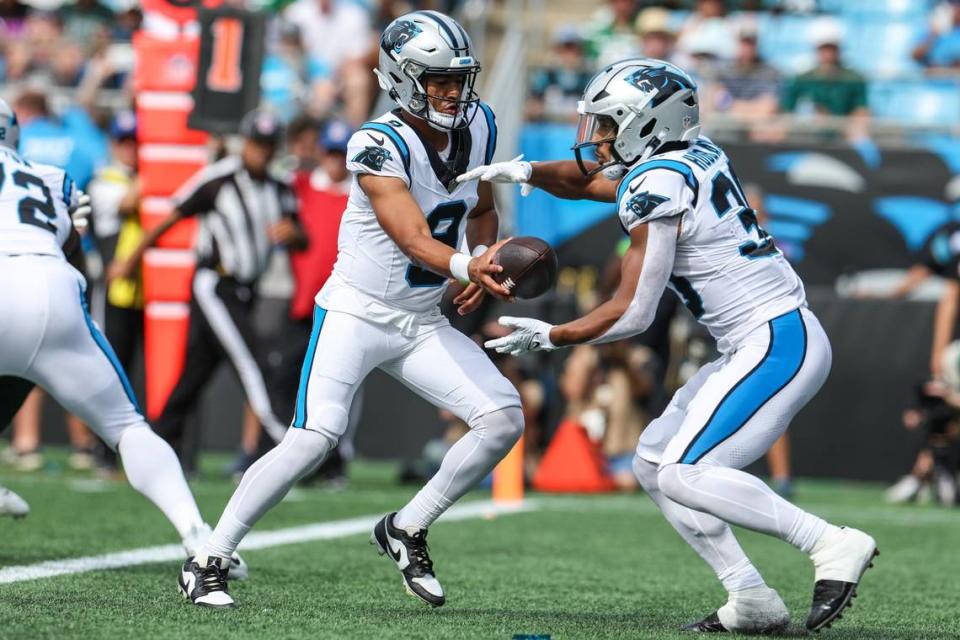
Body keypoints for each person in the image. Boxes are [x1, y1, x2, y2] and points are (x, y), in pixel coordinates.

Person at [458, 58, 877, 634]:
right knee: (655, 463)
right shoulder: (692, 155)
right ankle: (750, 597)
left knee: (684, 472)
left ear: (646, 123)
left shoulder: (657, 182)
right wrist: (522, 171)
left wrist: (550, 335)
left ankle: (831, 543)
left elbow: (632, 313)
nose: (598, 137)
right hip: (764, 339)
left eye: (608, 124)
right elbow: (591, 182)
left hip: (775, 340)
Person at [179, 10, 521, 609]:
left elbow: (482, 204)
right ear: (399, 77)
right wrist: (470, 266)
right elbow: (414, 238)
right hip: (357, 313)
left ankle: (407, 527)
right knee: (314, 439)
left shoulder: (481, 125)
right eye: (435, 78)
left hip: (420, 321)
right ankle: (209, 557)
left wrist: (483, 250)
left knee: (503, 418)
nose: (450, 91)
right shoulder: (376, 142)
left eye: (457, 78)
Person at [0, 98, 246, 576]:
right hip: (53, 289)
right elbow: (70, 248)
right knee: (129, 428)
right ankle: (198, 535)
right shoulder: (51, 177)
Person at [109, 111, 305, 464]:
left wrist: (294, 235)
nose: (262, 152)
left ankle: (155, 446)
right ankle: (286, 444)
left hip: (248, 291)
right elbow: (170, 216)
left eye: (269, 146)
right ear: (245, 143)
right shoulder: (219, 179)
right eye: (258, 145)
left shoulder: (279, 188)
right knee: (256, 364)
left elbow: (299, 235)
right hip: (215, 284)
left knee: (193, 376)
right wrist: (131, 259)